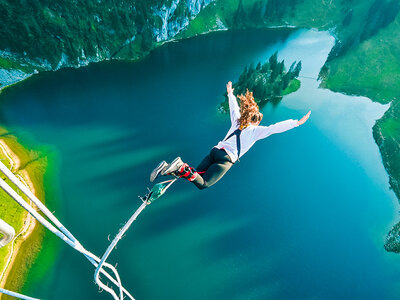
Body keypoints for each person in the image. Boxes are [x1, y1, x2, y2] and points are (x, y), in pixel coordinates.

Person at [150, 81, 311, 189]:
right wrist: (296, 122)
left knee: (196, 175)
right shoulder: (256, 131)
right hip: (225, 159)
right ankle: (180, 167)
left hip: (215, 151)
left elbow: (234, 108)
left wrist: (230, 93)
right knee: (204, 183)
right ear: (255, 121)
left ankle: (169, 169)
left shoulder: (237, 122)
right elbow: (274, 128)